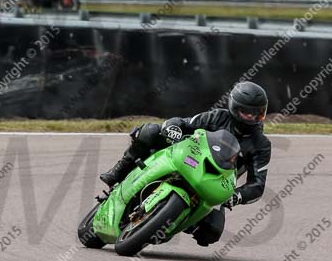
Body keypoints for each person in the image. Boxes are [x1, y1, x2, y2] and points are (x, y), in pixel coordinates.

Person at [99, 82, 271, 247]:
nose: (252, 117)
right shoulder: (218, 116)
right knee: (150, 132)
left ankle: (178, 219)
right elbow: (184, 122)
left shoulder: (261, 144)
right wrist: (173, 128)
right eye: (246, 112)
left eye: (257, 113)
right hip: (189, 159)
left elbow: (257, 184)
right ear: (234, 107)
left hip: (215, 183)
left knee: (210, 233)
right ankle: (119, 170)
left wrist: (237, 196)